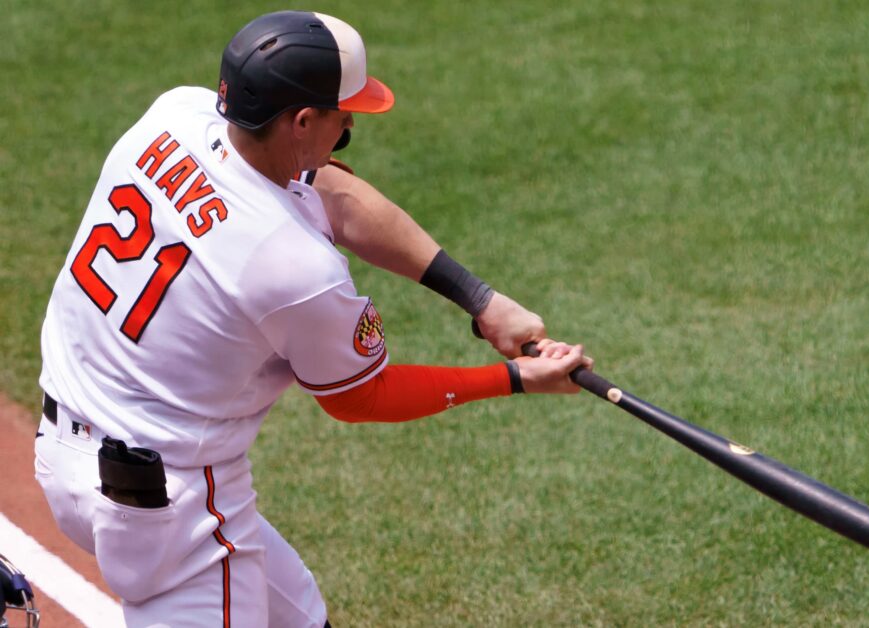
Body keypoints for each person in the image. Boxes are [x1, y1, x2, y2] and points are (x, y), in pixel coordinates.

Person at [34, 10, 590, 628]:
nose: (351, 124)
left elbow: (337, 198)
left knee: (299, 616)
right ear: (301, 121)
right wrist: (514, 379)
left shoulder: (174, 117)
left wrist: (483, 301)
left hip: (64, 455)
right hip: (173, 512)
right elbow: (361, 397)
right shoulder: (294, 268)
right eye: (343, 117)